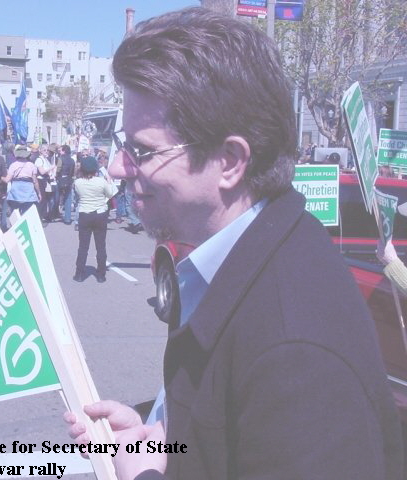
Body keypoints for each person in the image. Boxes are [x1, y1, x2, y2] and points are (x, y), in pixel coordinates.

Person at [64, 7, 403, 480]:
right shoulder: (238, 262)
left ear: (229, 161)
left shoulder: (296, 349)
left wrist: (142, 476)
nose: (118, 168)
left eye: (142, 149)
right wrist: (158, 428)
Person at [72, 156, 116, 283]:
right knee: (100, 246)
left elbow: (78, 195)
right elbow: (110, 194)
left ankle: (79, 273)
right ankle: (101, 274)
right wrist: (109, 181)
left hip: (84, 214)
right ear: (95, 169)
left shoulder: (78, 182)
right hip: (100, 214)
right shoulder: (101, 182)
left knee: (83, 246)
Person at [4, 145, 41, 216]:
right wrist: (39, 193)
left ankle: (16, 225)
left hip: (16, 191)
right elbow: (35, 181)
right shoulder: (31, 165)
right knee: (27, 212)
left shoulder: (13, 165)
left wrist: (1, 177)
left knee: (15, 212)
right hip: (28, 190)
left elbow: (7, 180)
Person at [57, 145, 75, 225]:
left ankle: (54, 213)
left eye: (61, 150)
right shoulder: (72, 160)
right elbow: (73, 172)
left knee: (56, 197)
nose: (60, 152)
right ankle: (68, 218)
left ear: (64, 151)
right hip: (69, 180)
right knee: (68, 198)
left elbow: (58, 169)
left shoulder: (60, 159)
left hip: (60, 179)